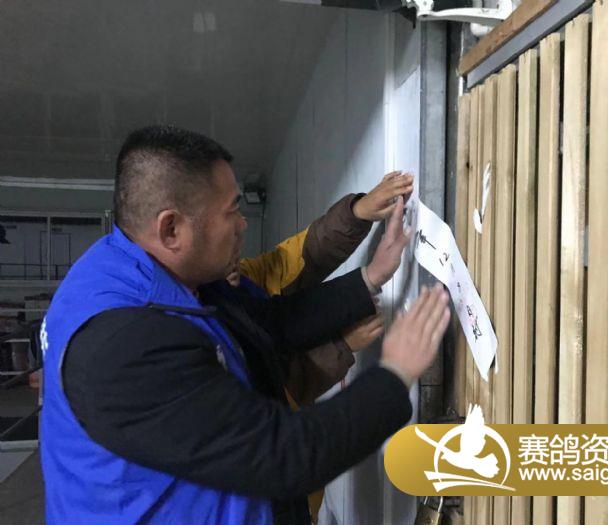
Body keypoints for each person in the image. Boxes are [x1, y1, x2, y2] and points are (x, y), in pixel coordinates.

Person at [40, 125, 450, 525]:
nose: (242, 223)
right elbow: (286, 456)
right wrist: (394, 374)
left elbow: (268, 322)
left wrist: (369, 277)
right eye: (231, 210)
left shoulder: (164, 272)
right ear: (171, 229)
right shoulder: (124, 348)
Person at [232, 174, 414, 522]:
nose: (242, 224)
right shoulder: (188, 341)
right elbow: (280, 391)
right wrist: (350, 351)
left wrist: (356, 214)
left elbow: (285, 269)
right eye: (227, 213)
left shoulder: (226, 281)